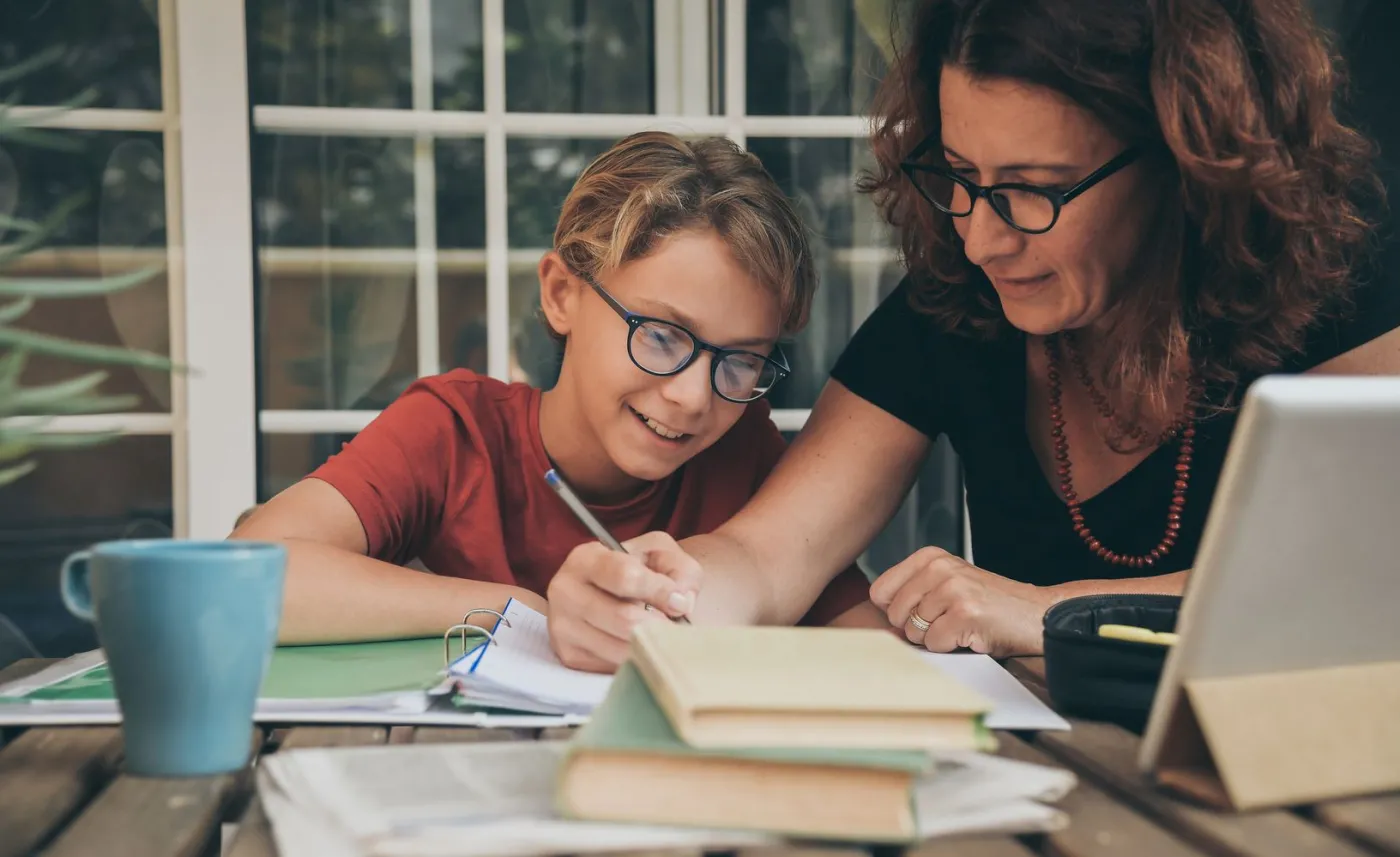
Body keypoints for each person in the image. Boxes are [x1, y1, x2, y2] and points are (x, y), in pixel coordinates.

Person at [544, 0, 1400, 671]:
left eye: (1034, 188)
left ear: (1183, 158)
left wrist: (1046, 606)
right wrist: (661, 597)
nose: (981, 239)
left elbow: (1370, 579)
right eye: (960, 176)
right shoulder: (956, 302)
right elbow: (768, 556)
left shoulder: (1336, 279)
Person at [233, 131, 879, 645]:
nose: (692, 395)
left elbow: (871, 652)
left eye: (739, 360)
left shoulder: (744, 454)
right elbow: (244, 576)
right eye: (660, 335)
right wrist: (525, 612)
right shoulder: (455, 434)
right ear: (561, 293)